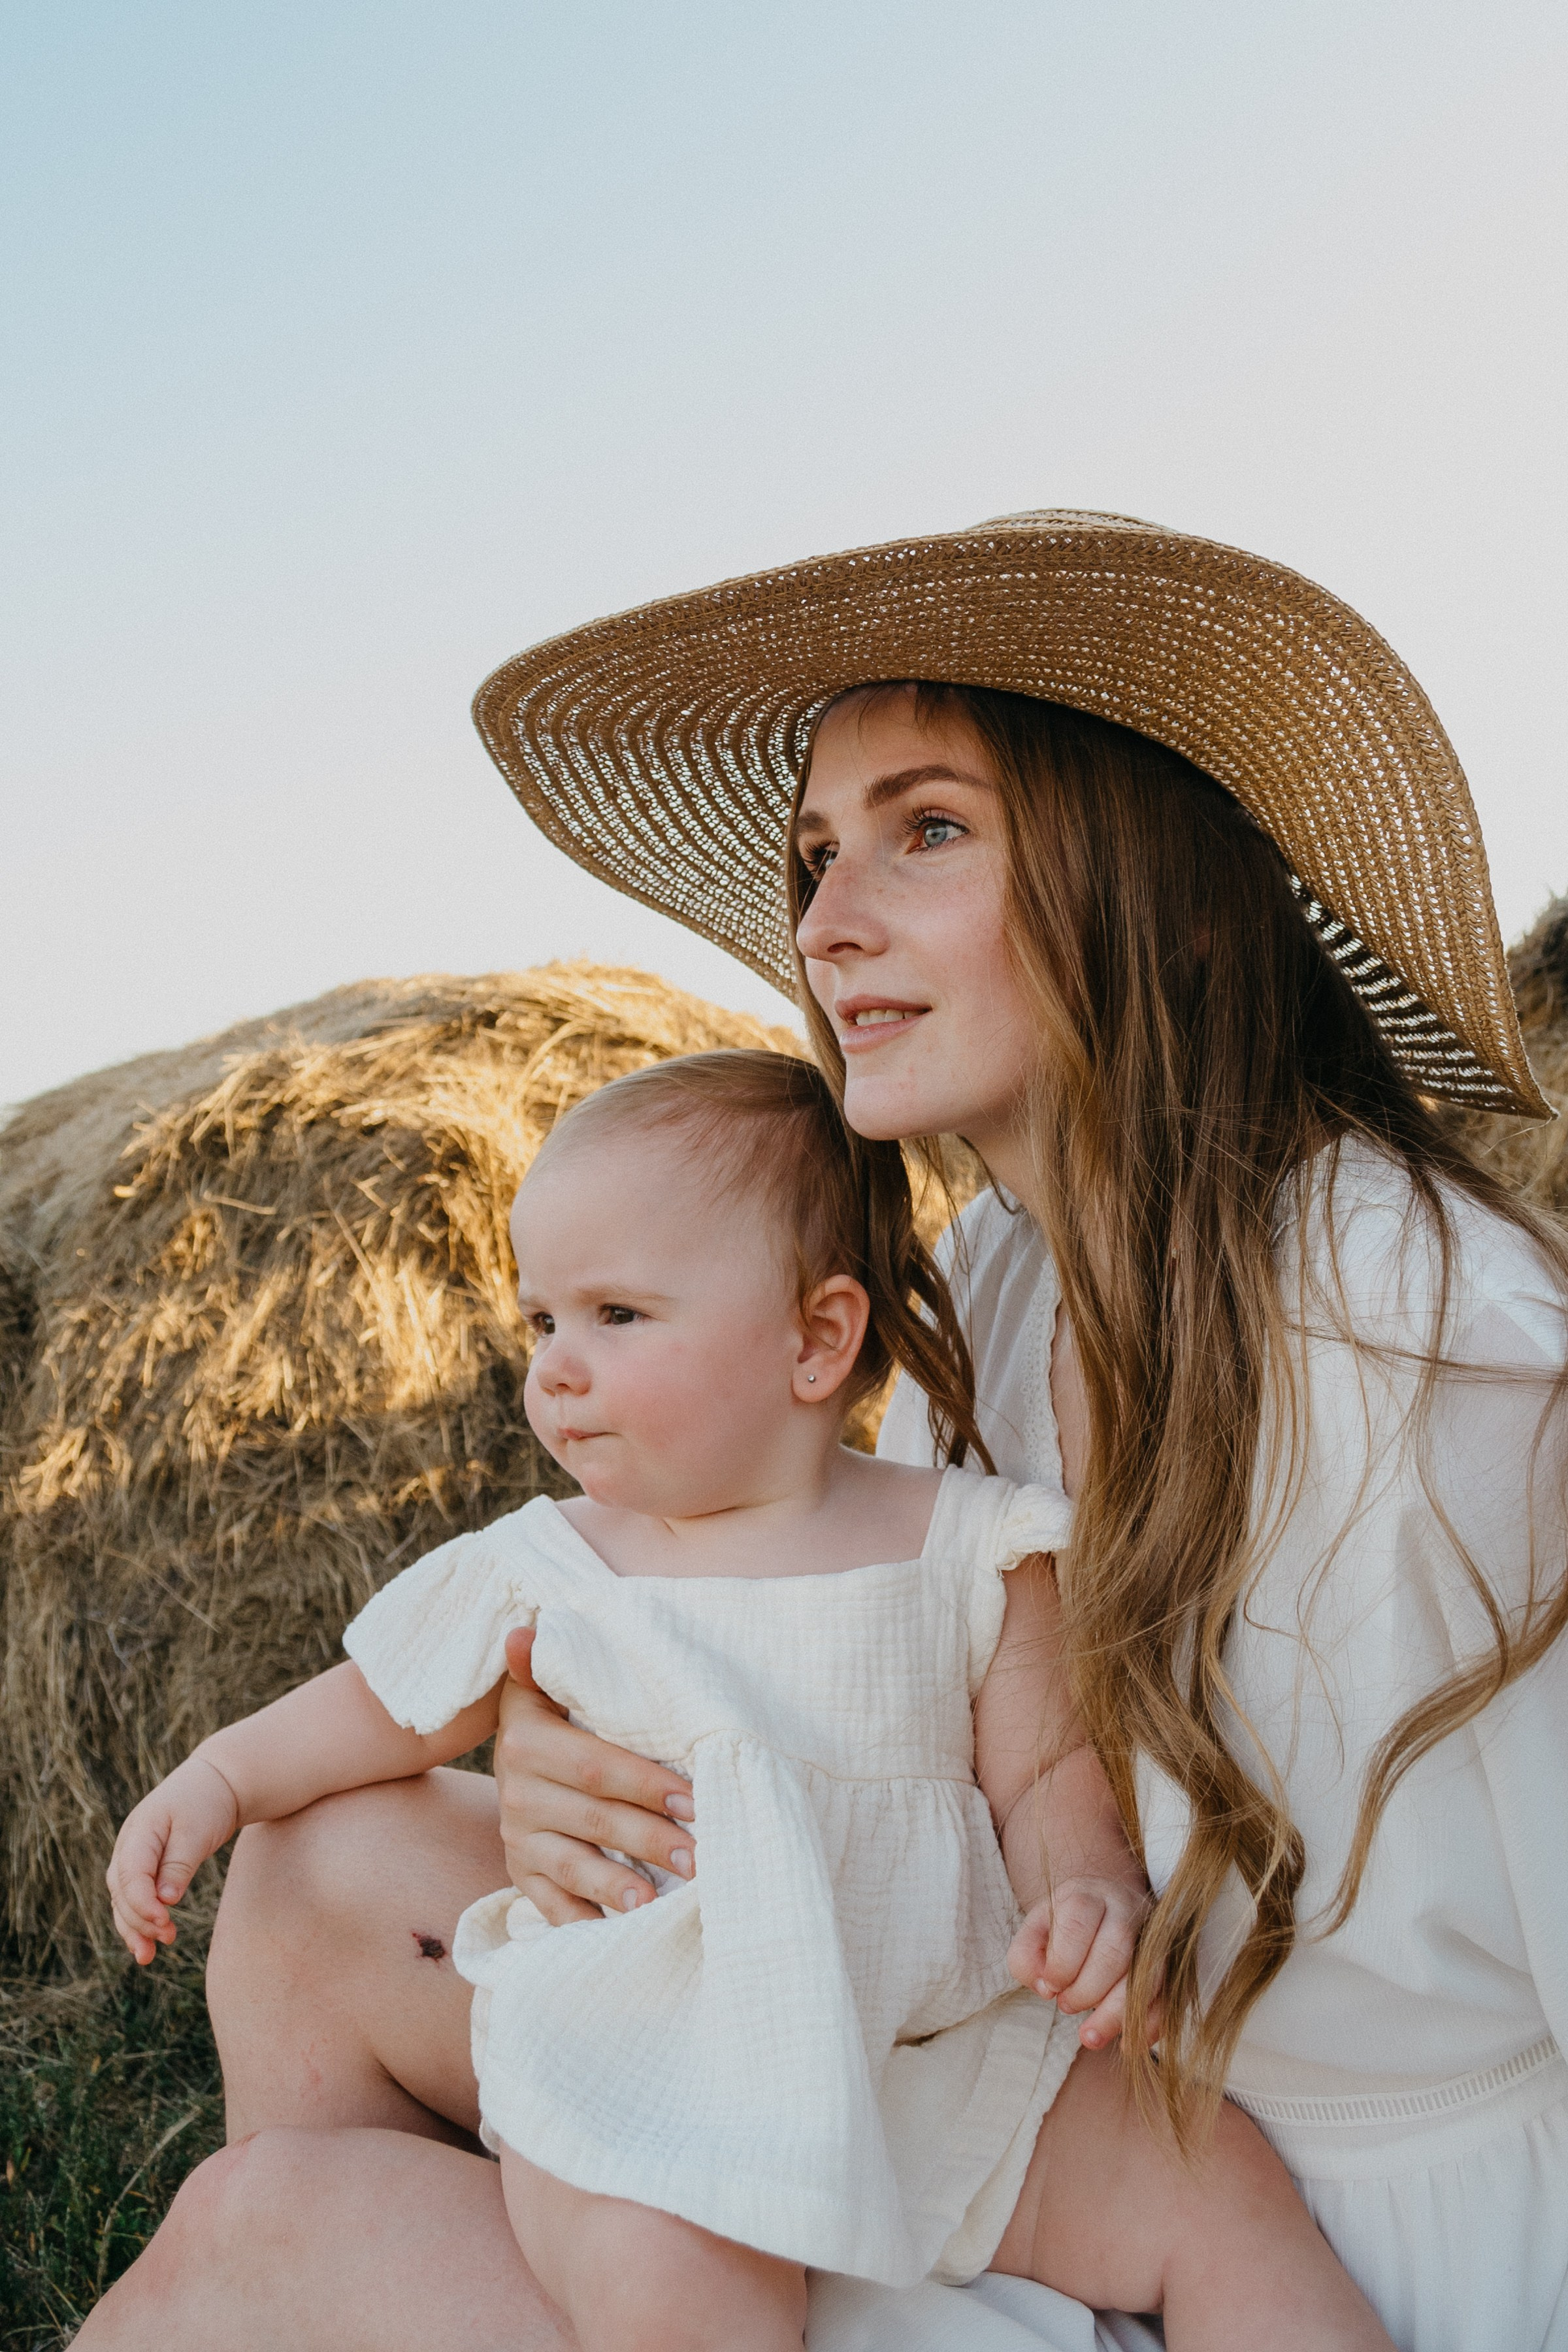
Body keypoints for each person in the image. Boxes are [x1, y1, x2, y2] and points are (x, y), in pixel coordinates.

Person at [80, 513, 1568, 2352]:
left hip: (1303, 2240)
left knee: (265, 2237)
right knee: (306, 1887)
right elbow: (898, 1666)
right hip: (1001, 2059)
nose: (825, 920)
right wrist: (576, 1730)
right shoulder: (1004, 1282)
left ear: (1163, 884)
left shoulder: (1438, 1353)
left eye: (927, 829)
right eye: (814, 855)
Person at [101, 1048, 1388, 2352]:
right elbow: (383, 1708)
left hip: (934, 2062)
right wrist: (219, 1777)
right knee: (680, 2293)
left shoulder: (972, 1545)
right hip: (654, 2075)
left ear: (817, 1339)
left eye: (618, 1316)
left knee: (1209, 2173)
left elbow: (1044, 1775)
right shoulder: (555, 1565)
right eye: (543, 1320)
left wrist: (1087, 1889)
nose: (557, 1366)